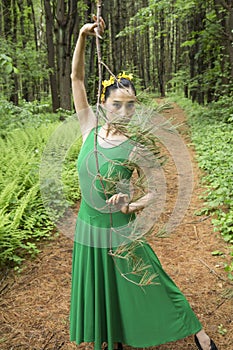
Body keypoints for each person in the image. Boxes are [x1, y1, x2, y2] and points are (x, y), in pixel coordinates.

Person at [69, 16, 219, 350]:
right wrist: (82, 35)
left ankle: (198, 332)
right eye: (116, 104)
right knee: (104, 285)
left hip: (121, 227)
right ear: (103, 105)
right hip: (88, 226)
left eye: (130, 105)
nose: (123, 111)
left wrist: (131, 204)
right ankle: (113, 337)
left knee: (151, 280)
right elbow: (76, 77)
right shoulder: (88, 130)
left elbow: (157, 190)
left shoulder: (136, 147)